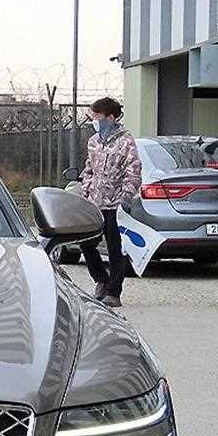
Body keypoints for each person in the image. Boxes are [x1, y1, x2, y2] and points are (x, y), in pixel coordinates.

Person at [78, 97, 142, 308]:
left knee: (115, 249)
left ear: (111, 117)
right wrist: (86, 190)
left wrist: (126, 197)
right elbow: (89, 170)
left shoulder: (125, 141)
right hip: (95, 204)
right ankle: (101, 280)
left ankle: (114, 291)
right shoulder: (94, 142)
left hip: (115, 205)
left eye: (98, 117)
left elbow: (133, 171)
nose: (94, 121)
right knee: (86, 244)